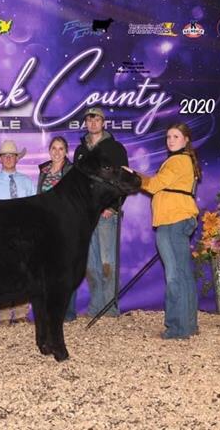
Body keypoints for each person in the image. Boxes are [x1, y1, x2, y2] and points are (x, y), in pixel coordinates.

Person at [131, 123, 200, 339]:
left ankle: (177, 328)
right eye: (169, 136)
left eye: (176, 136)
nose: (171, 140)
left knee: (174, 276)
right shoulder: (184, 160)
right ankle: (188, 325)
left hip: (171, 221)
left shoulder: (177, 161)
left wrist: (132, 175)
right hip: (180, 218)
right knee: (183, 273)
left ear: (186, 140)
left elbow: (153, 185)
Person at [73, 107, 129, 318]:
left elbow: (124, 179)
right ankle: (96, 306)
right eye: (89, 120)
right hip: (86, 215)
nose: (93, 123)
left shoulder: (115, 148)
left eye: (96, 119)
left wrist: (113, 206)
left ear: (103, 122)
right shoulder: (81, 150)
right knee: (90, 263)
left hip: (106, 213)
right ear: (86, 123)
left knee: (107, 262)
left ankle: (109, 308)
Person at [0, 140, 36, 325]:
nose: (8, 158)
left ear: (17, 158)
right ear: (0, 159)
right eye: (5, 156)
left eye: (11, 155)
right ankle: (4, 314)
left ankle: (21, 312)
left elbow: (34, 209)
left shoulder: (27, 182)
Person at [36, 136, 76, 321]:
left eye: (61, 148)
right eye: (54, 148)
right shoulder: (43, 171)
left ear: (66, 151)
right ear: (49, 151)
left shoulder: (72, 171)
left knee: (66, 269)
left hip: (65, 226)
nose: (57, 152)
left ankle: (67, 312)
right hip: (45, 227)